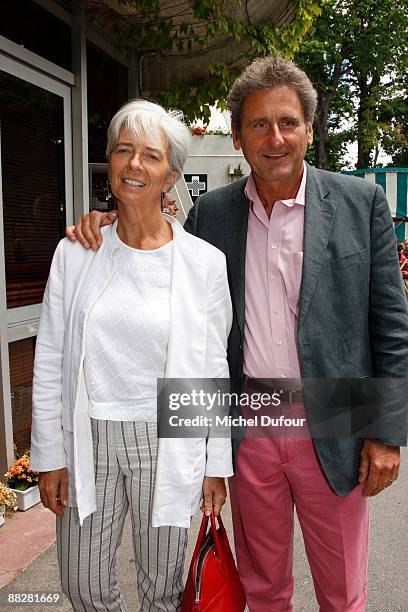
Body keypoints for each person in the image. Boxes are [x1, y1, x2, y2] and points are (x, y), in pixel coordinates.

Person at [67, 57, 408, 611]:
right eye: (258, 125)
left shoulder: (360, 204)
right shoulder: (211, 215)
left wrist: (387, 433)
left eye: (287, 122)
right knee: (261, 587)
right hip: (249, 423)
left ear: (309, 129)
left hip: (339, 416)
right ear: (238, 137)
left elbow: (392, 325)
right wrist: (107, 221)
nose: (274, 138)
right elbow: (177, 300)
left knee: (343, 590)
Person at [31, 99, 233, 612]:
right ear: (110, 162)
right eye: (124, 151)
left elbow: (213, 369)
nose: (135, 165)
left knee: (163, 588)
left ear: (171, 175)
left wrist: (214, 463)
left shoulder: (203, 263)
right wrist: (49, 456)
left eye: (150, 155)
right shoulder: (77, 252)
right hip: (89, 434)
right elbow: (51, 356)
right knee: (83, 584)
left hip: (166, 437)